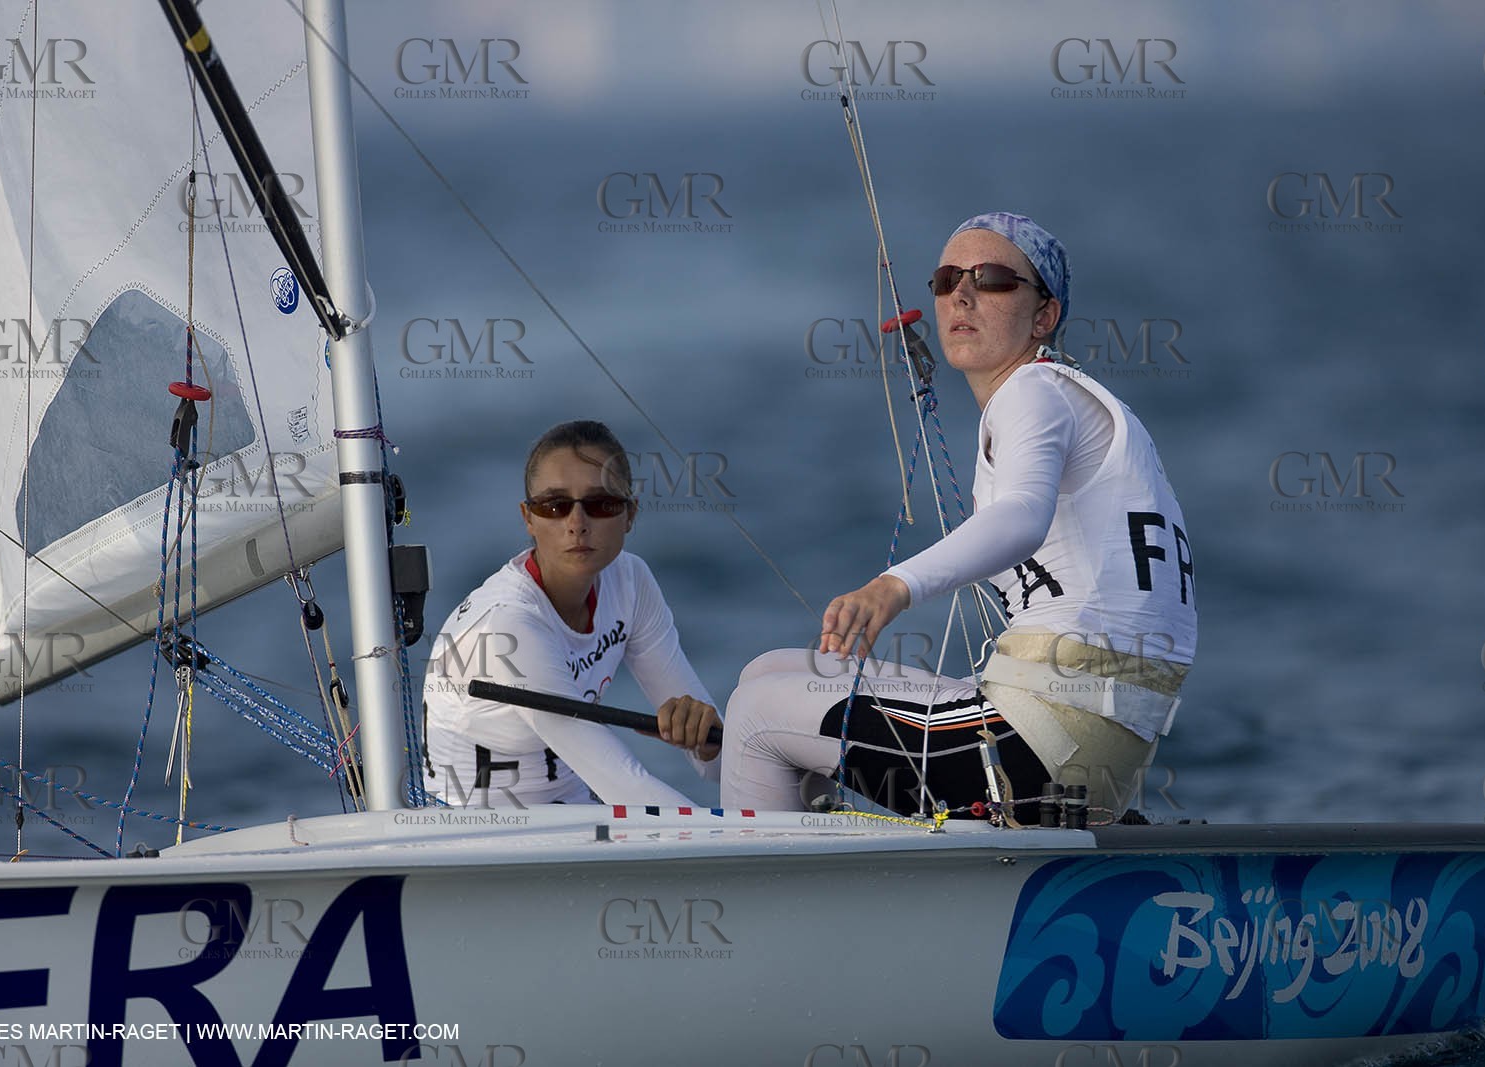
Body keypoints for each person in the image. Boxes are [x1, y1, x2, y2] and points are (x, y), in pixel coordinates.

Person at [720, 212, 1196, 824]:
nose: (962, 296)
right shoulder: (1070, 401)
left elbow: (1022, 517)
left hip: (1051, 742)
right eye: (947, 281)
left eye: (992, 279)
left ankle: (765, 872)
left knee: (758, 714)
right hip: (1090, 738)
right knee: (769, 673)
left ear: (1044, 316)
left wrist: (893, 587)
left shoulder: (1034, 390)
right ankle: (773, 811)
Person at [422, 420, 722, 807]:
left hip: (574, 815)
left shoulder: (630, 581)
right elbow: (624, 784)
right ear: (528, 518)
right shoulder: (507, 626)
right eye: (554, 506)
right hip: (477, 830)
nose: (577, 524)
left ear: (630, 514)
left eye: (600, 505)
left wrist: (707, 741)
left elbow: (716, 766)